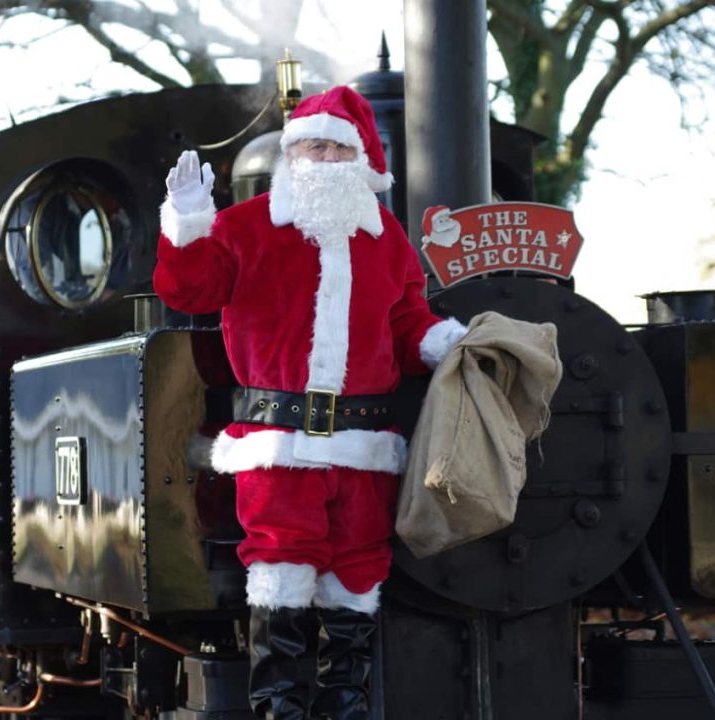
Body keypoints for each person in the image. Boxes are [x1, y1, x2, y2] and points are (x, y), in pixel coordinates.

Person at [153, 86, 467, 720]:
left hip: (363, 446)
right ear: (289, 156)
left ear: (359, 160)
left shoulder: (387, 241)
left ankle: (345, 704)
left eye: (333, 146)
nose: (319, 158)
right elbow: (192, 291)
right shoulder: (244, 227)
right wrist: (187, 224)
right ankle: (279, 706)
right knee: (280, 566)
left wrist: (446, 344)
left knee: (356, 573)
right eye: (307, 146)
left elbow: (406, 320)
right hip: (276, 445)